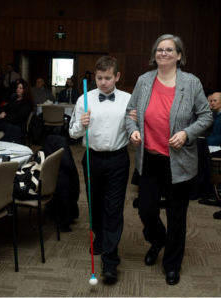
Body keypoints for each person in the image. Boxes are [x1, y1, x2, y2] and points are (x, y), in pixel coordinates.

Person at [125, 34, 212, 285]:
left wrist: (186, 133)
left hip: (179, 162)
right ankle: (158, 239)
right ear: (154, 55)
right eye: (159, 50)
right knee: (146, 211)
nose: (164, 53)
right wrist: (132, 128)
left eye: (169, 50)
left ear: (179, 55)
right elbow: (129, 114)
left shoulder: (191, 83)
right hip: (149, 160)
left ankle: (172, 264)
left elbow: (205, 118)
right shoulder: (143, 81)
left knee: (176, 215)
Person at [69, 56, 131, 281]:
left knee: (113, 208)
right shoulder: (83, 99)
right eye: (99, 78)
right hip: (92, 158)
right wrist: (80, 124)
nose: (103, 82)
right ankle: (99, 236)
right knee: (94, 205)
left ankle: (111, 260)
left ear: (117, 77)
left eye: (107, 78)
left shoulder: (128, 100)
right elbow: (72, 133)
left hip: (117, 159)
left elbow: (135, 133)